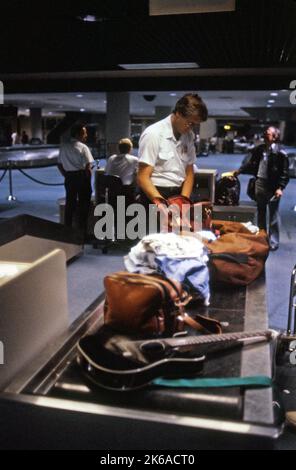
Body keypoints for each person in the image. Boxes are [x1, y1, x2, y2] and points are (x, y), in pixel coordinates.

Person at [137, 93, 208, 209]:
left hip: (178, 194)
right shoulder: (153, 134)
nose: (191, 128)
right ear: (178, 114)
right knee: (155, 227)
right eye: (190, 123)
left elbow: (189, 172)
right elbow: (143, 177)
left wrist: (183, 201)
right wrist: (162, 205)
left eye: (195, 125)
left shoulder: (189, 136)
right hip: (154, 195)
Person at [233, 126, 289, 251]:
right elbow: (250, 163)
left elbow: (285, 173)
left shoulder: (281, 153)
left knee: (273, 214)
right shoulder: (259, 150)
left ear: (275, 137)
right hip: (260, 183)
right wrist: (239, 171)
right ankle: (262, 238)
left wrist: (280, 188)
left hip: (273, 186)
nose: (264, 135)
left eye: (267, 133)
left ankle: (273, 241)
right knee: (261, 212)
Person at [57, 124, 94, 237]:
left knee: (70, 203)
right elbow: (88, 166)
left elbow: (59, 164)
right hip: (82, 176)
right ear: (78, 134)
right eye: (84, 133)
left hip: (69, 177)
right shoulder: (83, 147)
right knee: (84, 204)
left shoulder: (64, 146)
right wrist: (87, 177)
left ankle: (67, 230)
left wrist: (67, 175)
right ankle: (82, 231)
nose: (86, 135)